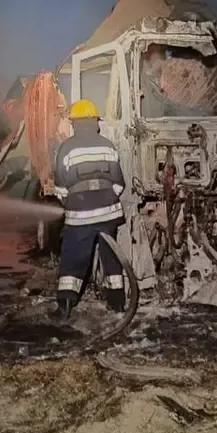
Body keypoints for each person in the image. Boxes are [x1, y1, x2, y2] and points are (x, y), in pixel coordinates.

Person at [49, 98, 127, 320]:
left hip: (80, 215)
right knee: (111, 257)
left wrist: (74, 204)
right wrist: (105, 201)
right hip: (109, 212)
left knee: (74, 258)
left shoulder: (66, 147)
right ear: (95, 122)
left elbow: (60, 188)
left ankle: (65, 306)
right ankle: (118, 304)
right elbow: (119, 184)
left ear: (74, 123)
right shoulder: (108, 145)